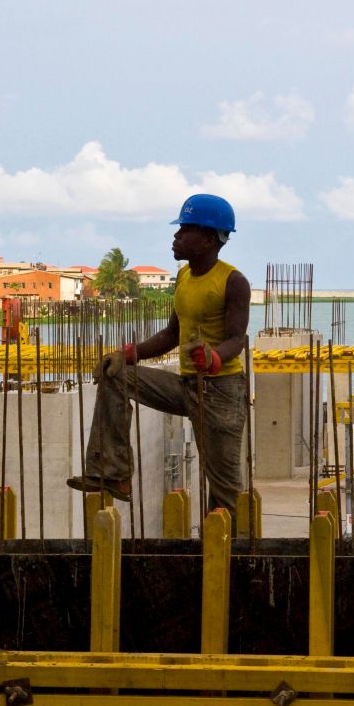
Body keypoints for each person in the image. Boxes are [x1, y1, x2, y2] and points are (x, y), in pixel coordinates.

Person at [70, 194, 250, 517]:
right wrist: (126, 355)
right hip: (186, 387)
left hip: (221, 392)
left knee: (224, 494)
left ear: (208, 238)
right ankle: (114, 473)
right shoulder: (182, 278)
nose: (176, 238)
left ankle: (227, 555)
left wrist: (214, 357)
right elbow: (170, 335)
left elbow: (237, 338)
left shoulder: (233, 282)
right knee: (117, 376)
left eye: (184, 230)